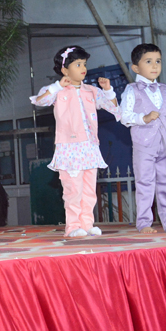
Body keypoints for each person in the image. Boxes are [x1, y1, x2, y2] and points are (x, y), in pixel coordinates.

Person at [30, 46, 119, 237]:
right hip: (69, 147)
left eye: (84, 64)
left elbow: (114, 109)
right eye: (78, 64)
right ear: (65, 70)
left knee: (89, 190)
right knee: (73, 190)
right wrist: (57, 86)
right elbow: (40, 101)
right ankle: (72, 226)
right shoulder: (58, 90)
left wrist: (108, 90)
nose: (83, 68)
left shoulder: (91, 91)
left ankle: (87, 224)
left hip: (90, 146)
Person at [119, 44, 166, 233]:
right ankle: (144, 223)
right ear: (135, 68)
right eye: (148, 61)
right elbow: (124, 116)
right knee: (145, 183)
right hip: (144, 145)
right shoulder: (132, 90)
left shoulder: (165, 89)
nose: (155, 65)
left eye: (158, 61)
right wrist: (144, 118)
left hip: (165, 143)